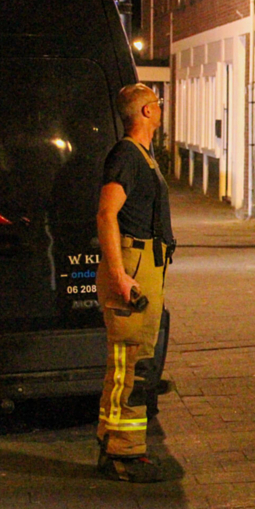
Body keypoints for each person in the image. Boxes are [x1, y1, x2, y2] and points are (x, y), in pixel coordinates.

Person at [95, 83, 176, 483]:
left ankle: (113, 442)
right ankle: (123, 455)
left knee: (130, 360)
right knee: (132, 362)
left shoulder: (143, 156)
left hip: (147, 263)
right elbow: (107, 214)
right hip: (134, 264)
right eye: (157, 103)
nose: (161, 109)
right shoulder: (127, 155)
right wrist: (119, 275)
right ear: (145, 111)